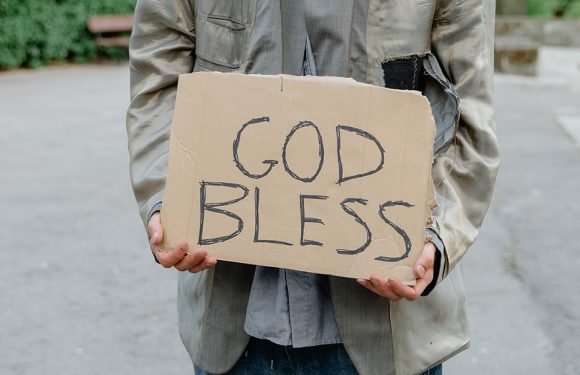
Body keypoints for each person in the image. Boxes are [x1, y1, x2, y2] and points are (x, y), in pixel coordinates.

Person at [126, 1, 499, 374]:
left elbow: (469, 119)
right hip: (231, 323)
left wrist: (437, 238)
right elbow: (157, 82)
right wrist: (167, 200)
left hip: (389, 333)